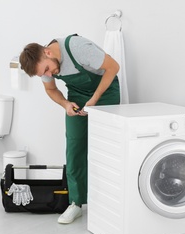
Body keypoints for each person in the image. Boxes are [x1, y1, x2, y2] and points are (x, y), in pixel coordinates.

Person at [19, 34, 120, 224]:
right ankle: (75, 203)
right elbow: (51, 90)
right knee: (74, 148)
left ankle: (110, 201)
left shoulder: (78, 48)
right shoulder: (45, 66)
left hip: (105, 94)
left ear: (48, 52)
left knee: (107, 148)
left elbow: (113, 67)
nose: (49, 75)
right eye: (44, 74)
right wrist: (65, 104)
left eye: (48, 70)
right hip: (77, 96)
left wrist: (95, 99)